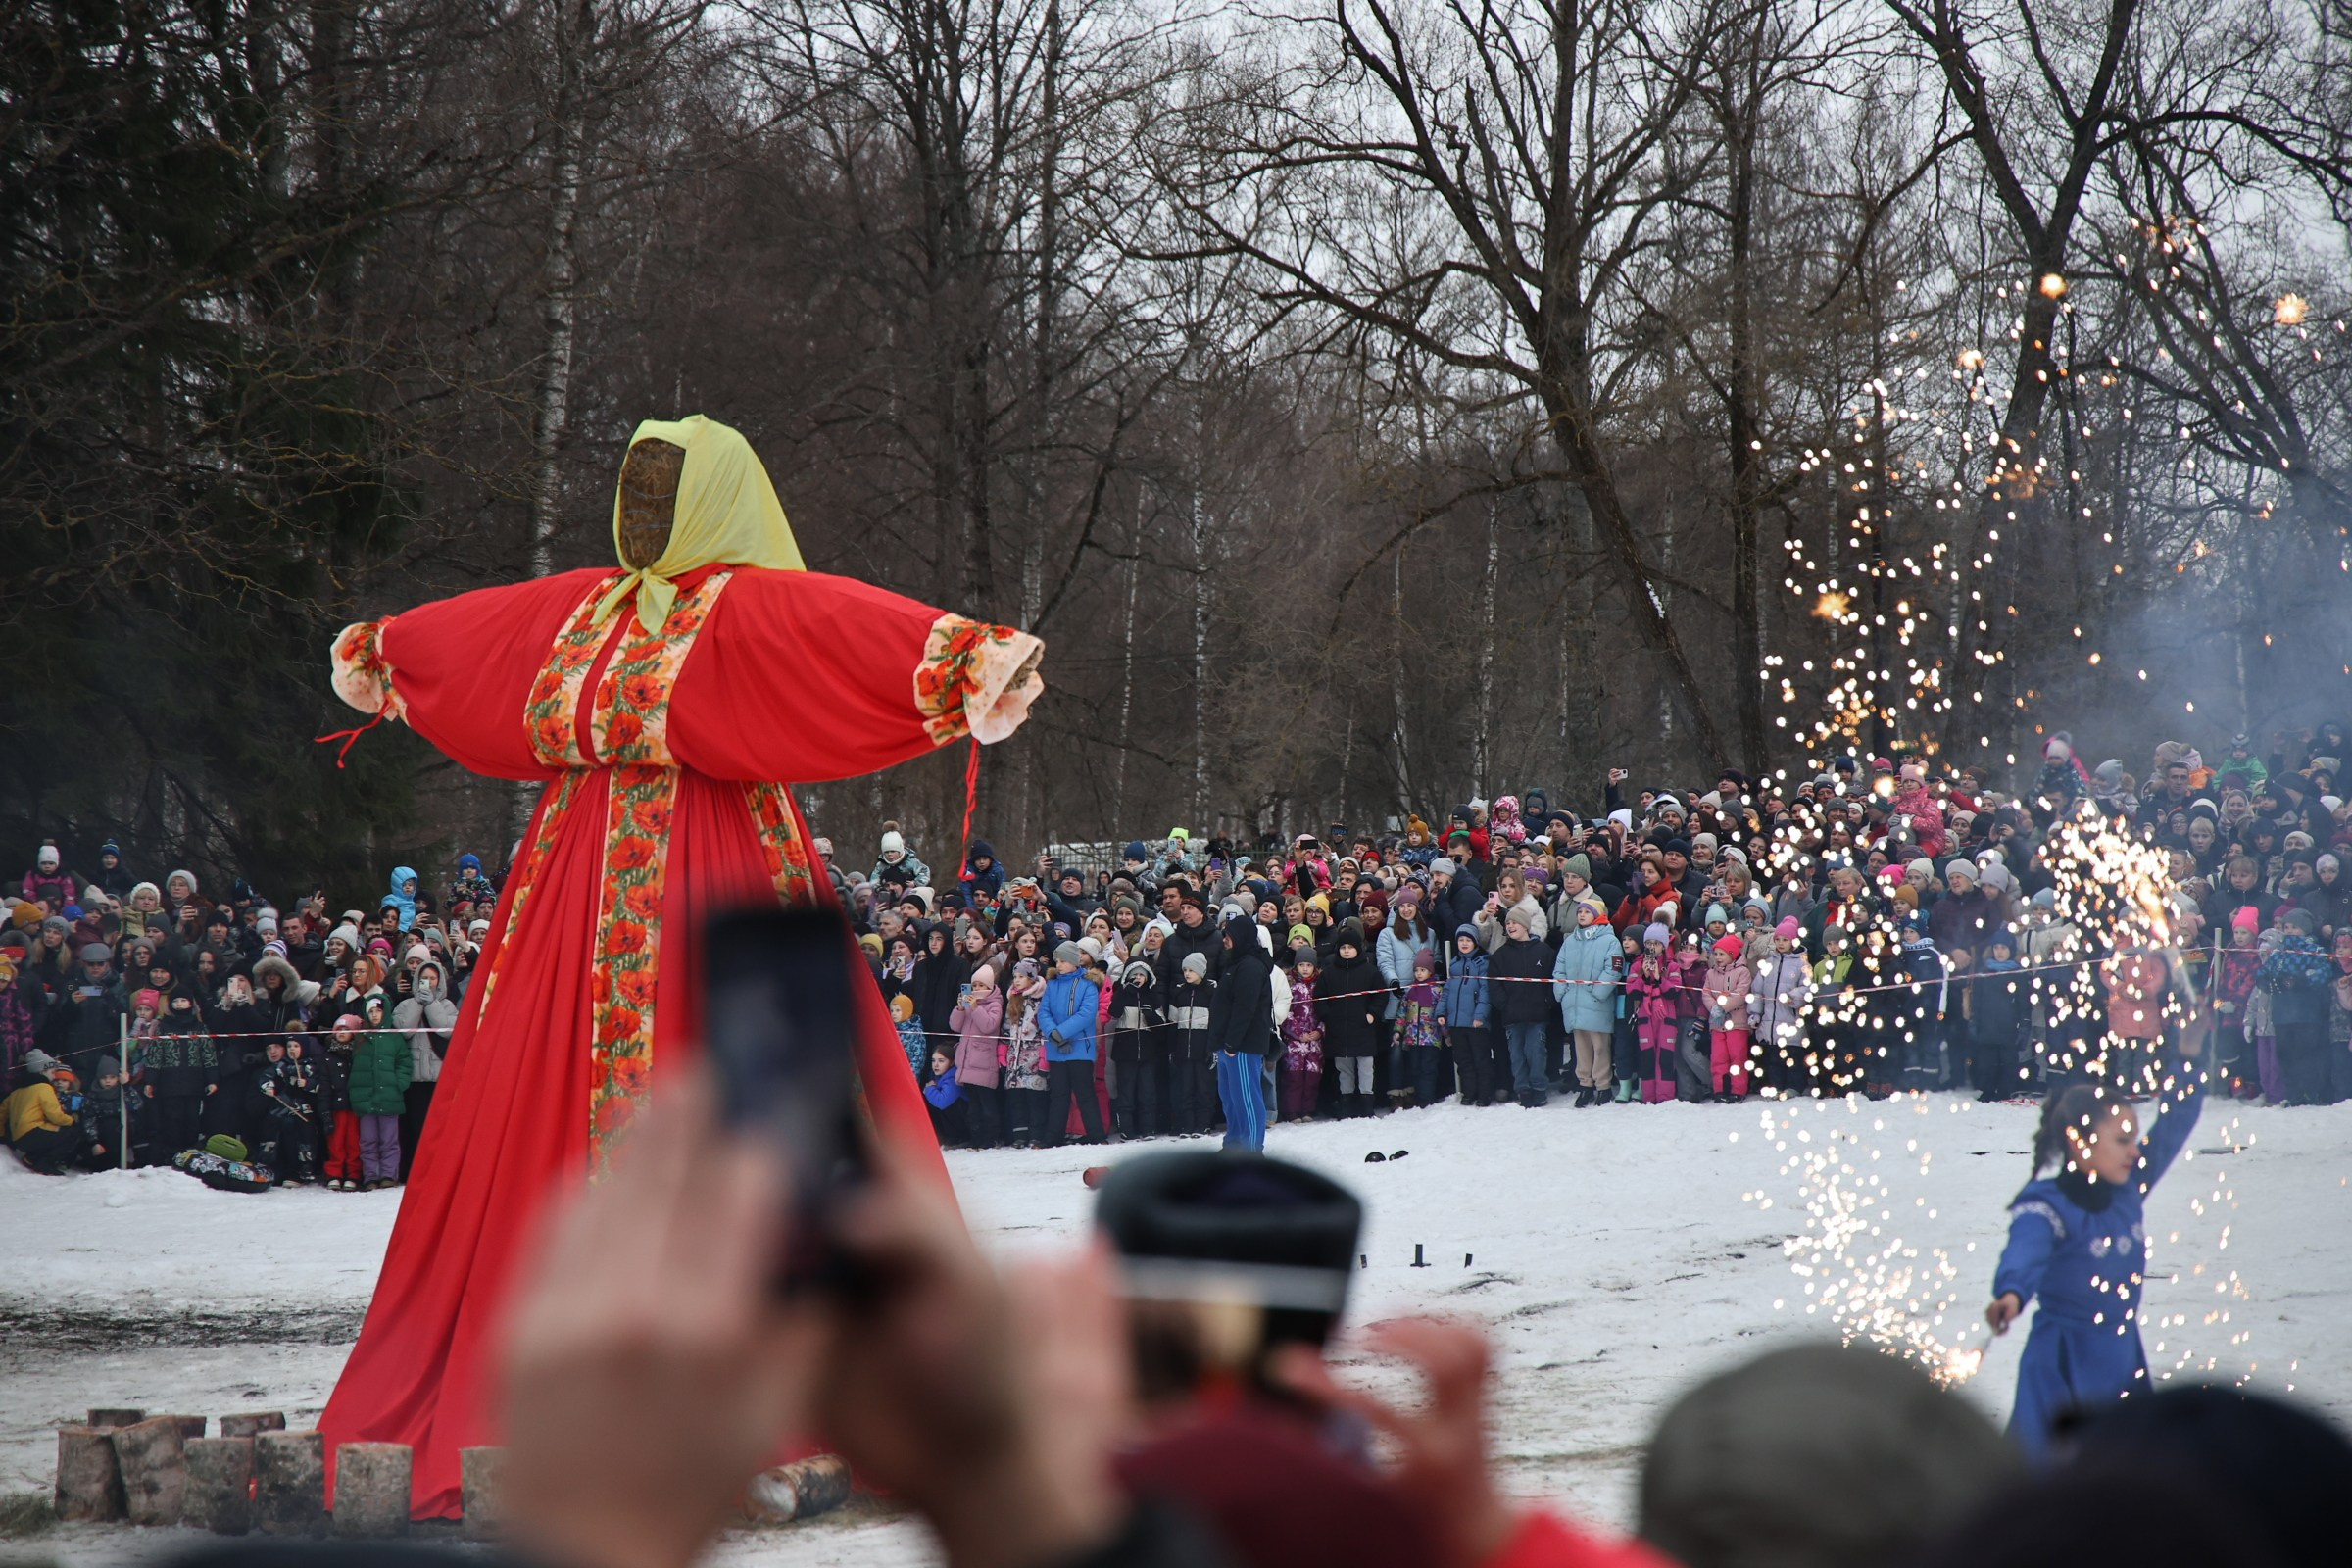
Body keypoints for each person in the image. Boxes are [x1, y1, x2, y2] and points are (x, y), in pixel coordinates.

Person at [318, 415, 1044, 1513]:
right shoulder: (587, 608)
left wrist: (963, 659)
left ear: (712, 502)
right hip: (563, 905)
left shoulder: (740, 606)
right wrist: (389, 651)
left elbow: (837, 628)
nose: (646, 514)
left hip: (718, 879)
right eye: (636, 490)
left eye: (667, 492)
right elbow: (483, 637)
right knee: (542, 1108)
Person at [1986, 1008, 2205, 1459]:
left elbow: (2176, 1121)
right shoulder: (2046, 1205)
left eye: (2134, 1137)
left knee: (2130, 1473)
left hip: (2122, 1353)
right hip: (2063, 1360)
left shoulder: (2126, 1187)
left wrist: (2187, 1055)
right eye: (2121, 1140)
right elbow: (2024, 1253)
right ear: (2080, 1142)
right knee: (2052, 1472)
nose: (2135, 1149)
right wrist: (2010, 1294)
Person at [1206, 913, 1271, 1150]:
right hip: (1227, 1045)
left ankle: (1252, 1151)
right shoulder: (1234, 964)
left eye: (1229, 935)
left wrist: (1232, 1043)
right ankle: (1233, 1147)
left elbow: (1246, 1008)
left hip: (1243, 1046)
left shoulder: (1251, 967)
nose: (1225, 939)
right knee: (1231, 1101)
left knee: (1247, 1101)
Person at [1551, 899, 1620, 1107]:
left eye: (1586, 912)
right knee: (1580, 1047)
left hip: (1597, 1003)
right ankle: (1585, 1084)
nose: (1581, 915)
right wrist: (1562, 991)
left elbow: (1613, 969)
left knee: (1600, 1047)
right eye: (1579, 911)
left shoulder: (1610, 941)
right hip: (1574, 1003)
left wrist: (1598, 992)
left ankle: (1603, 1085)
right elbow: (1559, 968)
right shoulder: (1570, 941)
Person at [1488, 902, 1553, 1108]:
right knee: (1516, 1055)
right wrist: (1504, 1005)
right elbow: (1494, 985)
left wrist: (1547, 1002)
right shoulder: (1500, 955)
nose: (1511, 926)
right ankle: (1523, 1089)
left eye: (1516, 922)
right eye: (1508, 923)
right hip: (1512, 1016)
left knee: (1535, 1052)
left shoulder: (1544, 951)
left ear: (1526, 925)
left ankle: (1539, 1089)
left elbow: (1552, 981)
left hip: (1537, 1014)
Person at [1042, 942, 1106, 1145]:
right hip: (1057, 1049)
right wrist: (1054, 1035)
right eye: (1057, 961)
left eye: (1063, 961)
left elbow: (1086, 1014)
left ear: (1074, 962)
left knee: (1085, 1093)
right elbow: (1043, 1012)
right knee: (1059, 1095)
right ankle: (1053, 1138)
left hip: (1080, 1049)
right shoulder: (1052, 984)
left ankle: (1097, 1136)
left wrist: (1061, 1033)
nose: (1058, 965)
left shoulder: (1087, 984)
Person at [1315, 923, 1382, 1119]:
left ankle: (1367, 1105)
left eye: (1350, 947)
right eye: (1343, 947)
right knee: (1344, 1070)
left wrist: (1372, 1014)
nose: (1346, 951)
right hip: (1339, 1031)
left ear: (1358, 949)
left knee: (1366, 1068)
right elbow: (1319, 998)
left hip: (1363, 1029)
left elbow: (1380, 996)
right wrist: (1327, 1016)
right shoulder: (1329, 973)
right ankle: (1346, 1106)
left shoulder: (1370, 971)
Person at [352, 996, 415, 1190]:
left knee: (389, 1140)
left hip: (390, 1096)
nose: (375, 1015)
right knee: (368, 1140)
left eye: (378, 1011)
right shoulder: (360, 1038)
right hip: (366, 1098)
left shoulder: (394, 1037)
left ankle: (389, 1174)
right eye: (371, 1011)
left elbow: (404, 1061)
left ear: (385, 1012)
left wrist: (400, 1082)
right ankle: (371, 1175)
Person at [948, 965, 1004, 1148]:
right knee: (974, 1106)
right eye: (975, 985)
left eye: (981, 985)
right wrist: (960, 1009)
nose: (977, 989)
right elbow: (955, 1027)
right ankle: (976, 1138)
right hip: (967, 1062)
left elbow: (988, 1026)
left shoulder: (994, 1004)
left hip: (983, 1063)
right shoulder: (970, 1005)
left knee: (987, 1104)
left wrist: (974, 1008)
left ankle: (990, 1138)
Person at [1440, 923, 1494, 1106]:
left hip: (1475, 1023)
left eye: (1468, 940)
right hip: (1456, 1022)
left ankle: (1484, 1094)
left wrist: (1480, 1016)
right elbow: (1447, 991)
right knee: (1463, 1060)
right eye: (1461, 940)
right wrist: (1441, 1012)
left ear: (1475, 942)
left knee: (1481, 1059)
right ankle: (1469, 1092)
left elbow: (1486, 992)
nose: (1464, 943)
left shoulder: (1482, 963)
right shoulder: (1455, 964)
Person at [1700, 934, 1753, 1102]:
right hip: (1717, 1024)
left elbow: (1741, 993)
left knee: (1737, 1057)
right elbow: (1706, 992)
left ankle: (1737, 1090)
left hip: (1737, 1023)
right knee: (1718, 1057)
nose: (1717, 958)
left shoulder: (1742, 972)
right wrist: (1714, 1009)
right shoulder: (1711, 973)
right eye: (1715, 954)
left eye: (1722, 954)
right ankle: (1720, 1089)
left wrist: (1723, 1007)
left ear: (1732, 954)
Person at [6, 1055, 81, 1173]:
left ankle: (32, 1158)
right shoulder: (44, 1087)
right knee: (72, 1132)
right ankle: (46, 1163)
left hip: (17, 1138)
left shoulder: (16, 1091)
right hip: (34, 1132)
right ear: (42, 1071)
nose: (54, 1076)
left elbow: (2, 1111)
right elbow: (54, 1115)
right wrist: (71, 1120)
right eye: (52, 1073)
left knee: (51, 1132)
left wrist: (1, 1134)